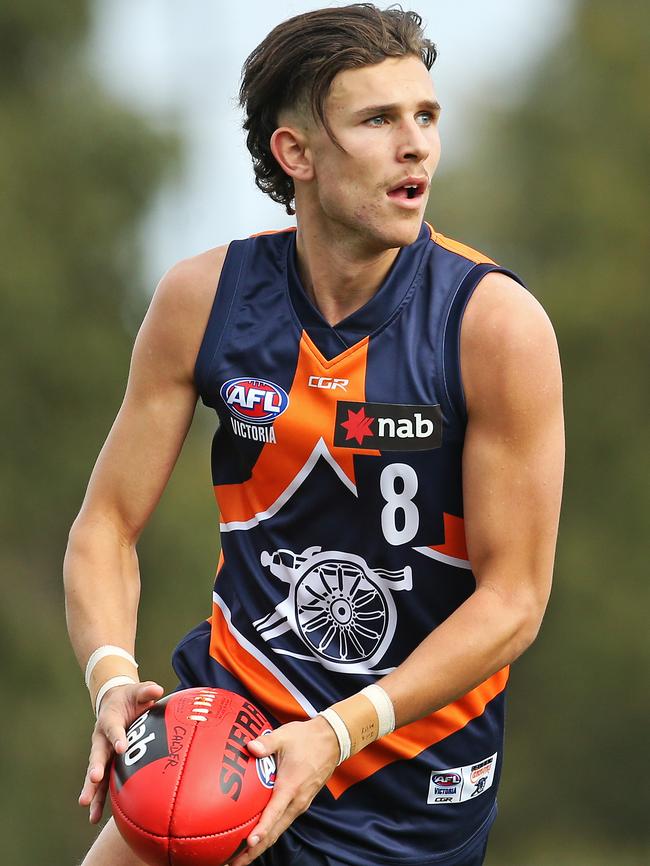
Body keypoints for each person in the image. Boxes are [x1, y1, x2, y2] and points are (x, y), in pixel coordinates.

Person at [64, 5, 564, 866]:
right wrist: (111, 679)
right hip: (224, 750)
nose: (417, 147)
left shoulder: (494, 326)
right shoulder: (202, 300)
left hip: (407, 787)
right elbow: (104, 527)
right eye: (378, 120)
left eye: (426, 117)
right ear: (295, 153)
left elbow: (513, 601)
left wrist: (337, 732)